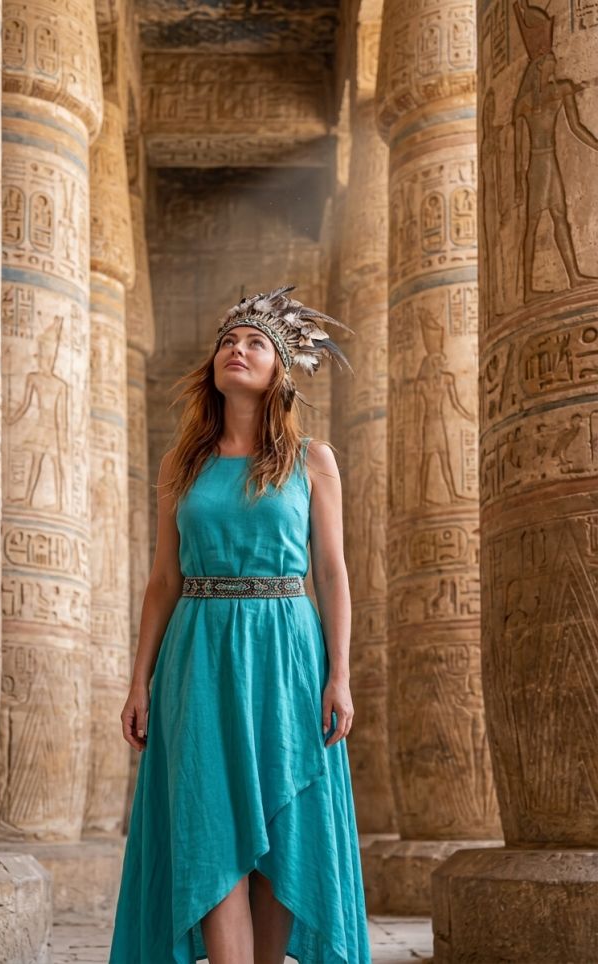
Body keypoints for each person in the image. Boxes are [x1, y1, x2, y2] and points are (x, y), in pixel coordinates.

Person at [109, 285, 372, 963]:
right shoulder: (181, 465)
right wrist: (139, 681)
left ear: (280, 369)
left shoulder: (313, 460)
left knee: (286, 819)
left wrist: (340, 675)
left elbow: (332, 572)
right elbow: (163, 580)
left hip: (287, 650)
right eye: (229, 340)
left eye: (256, 342)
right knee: (211, 821)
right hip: (197, 654)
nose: (238, 348)